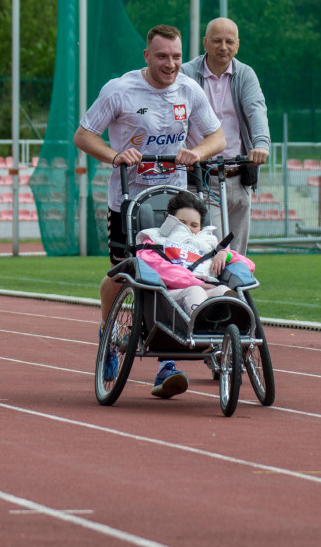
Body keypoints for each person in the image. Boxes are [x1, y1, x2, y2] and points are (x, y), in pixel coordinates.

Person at [74, 24, 226, 398]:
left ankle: (166, 363)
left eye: (176, 57)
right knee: (124, 277)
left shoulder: (189, 90)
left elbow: (217, 137)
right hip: (128, 203)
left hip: (172, 203)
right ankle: (109, 338)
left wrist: (197, 153)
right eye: (162, 56)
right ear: (147, 56)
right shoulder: (120, 90)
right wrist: (116, 156)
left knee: (173, 275)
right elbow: (83, 134)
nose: (170, 64)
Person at [134, 191, 255, 397]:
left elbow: (249, 265)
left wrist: (223, 254)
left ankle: (234, 333)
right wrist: (195, 282)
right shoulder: (153, 241)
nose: (189, 229)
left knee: (224, 292)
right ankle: (204, 333)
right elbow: (155, 267)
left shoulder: (209, 243)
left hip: (207, 291)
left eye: (194, 225)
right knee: (196, 290)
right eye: (182, 223)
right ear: (169, 221)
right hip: (170, 297)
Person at [181, 17, 271, 253]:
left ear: (237, 45)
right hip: (202, 175)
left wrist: (261, 145)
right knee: (217, 249)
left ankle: (232, 291)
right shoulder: (187, 74)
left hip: (239, 175)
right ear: (205, 43)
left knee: (238, 255)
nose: (223, 47)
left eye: (229, 41)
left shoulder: (245, 75)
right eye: (217, 41)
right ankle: (217, 290)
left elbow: (256, 111)